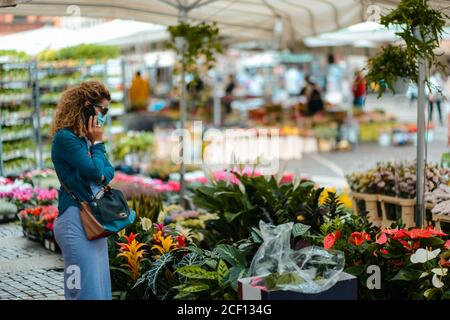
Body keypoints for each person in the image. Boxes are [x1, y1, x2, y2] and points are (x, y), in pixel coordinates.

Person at [50, 80, 114, 300]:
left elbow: (109, 171)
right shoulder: (65, 139)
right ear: (87, 105)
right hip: (74, 222)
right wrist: (97, 145)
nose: (104, 116)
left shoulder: (84, 138)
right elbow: (97, 173)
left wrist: (99, 162)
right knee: (83, 292)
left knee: (100, 289)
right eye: (102, 109)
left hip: (94, 221)